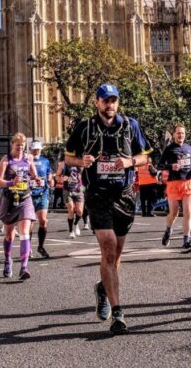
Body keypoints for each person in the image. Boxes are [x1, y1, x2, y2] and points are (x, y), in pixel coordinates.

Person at [65, 83, 152, 335]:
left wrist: (129, 161)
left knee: (115, 256)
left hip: (124, 196)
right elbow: (68, 157)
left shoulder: (130, 125)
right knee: (109, 249)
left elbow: (145, 156)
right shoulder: (85, 127)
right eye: (105, 100)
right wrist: (82, 161)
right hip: (98, 195)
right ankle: (118, 312)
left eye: (113, 100)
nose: (110, 104)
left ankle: (103, 288)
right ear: (97, 102)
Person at [0, 132, 39, 280]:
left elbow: (34, 175)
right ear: (12, 144)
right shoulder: (6, 160)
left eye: (22, 145)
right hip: (9, 199)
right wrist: (10, 183)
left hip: (25, 198)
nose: (20, 147)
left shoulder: (28, 158)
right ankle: (8, 260)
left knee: (25, 232)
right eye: (17, 144)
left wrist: (37, 179)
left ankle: (24, 267)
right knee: (9, 234)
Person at [158, 124, 191, 253]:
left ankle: (186, 241)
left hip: (187, 183)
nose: (180, 135)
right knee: (174, 213)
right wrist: (171, 166)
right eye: (178, 133)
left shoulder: (188, 148)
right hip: (174, 184)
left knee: (188, 212)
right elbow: (160, 165)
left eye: (182, 133)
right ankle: (168, 230)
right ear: (174, 134)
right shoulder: (169, 149)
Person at [30, 140, 54, 258]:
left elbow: (49, 172)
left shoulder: (45, 161)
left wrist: (50, 178)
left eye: (38, 149)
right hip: (29, 194)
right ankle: (27, 248)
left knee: (43, 221)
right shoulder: (27, 161)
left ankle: (40, 246)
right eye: (34, 149)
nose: (36, 151)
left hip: (43, 192)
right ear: (30, 149)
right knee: (30, 223)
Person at [57, 161, 85, 238]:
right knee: (71, 209)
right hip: (67, 190)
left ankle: (76, 224)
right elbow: (57, 176)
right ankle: (71, 231)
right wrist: (62, 178)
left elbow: (85, 175)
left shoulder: (81, 162)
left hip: (79, 189)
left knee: (80, 212)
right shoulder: (62, 164)